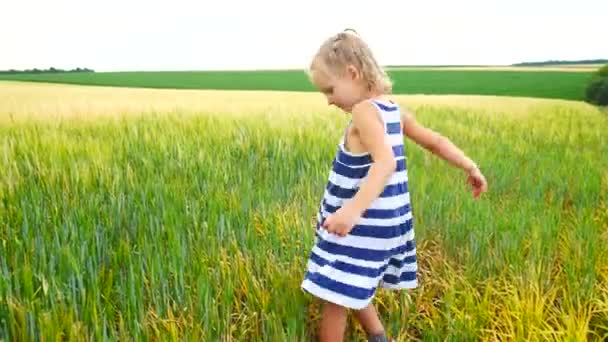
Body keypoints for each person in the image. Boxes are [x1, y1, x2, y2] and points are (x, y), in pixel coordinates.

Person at [300, 29, 488, 342]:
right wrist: (470, 165)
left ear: (353, 73)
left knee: (334, 295)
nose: (329, 101)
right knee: (351, 281)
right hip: (386, 225)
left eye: (330, 90)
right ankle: (377, 336)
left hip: (361, 223)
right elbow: (435, 141)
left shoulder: (363, 111)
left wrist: (349, 212)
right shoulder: (392, 110)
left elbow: (385, 163)